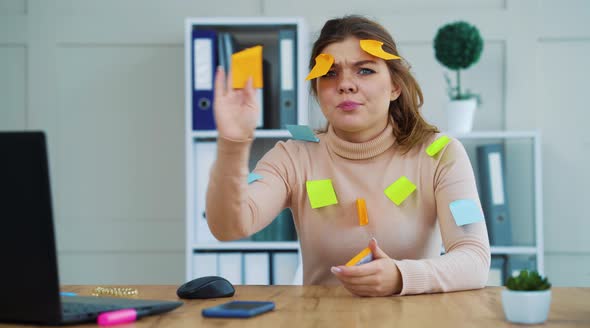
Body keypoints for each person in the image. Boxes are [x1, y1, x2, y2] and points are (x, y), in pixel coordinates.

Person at [206, 15, 490, 296]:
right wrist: (233, 142)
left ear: (395, 86)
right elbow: (229, 226)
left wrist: (402, 276)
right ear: (317, 91)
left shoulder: (440, 154)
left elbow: (475, 258)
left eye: (364, 70)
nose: (345, 84)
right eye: (329, 73)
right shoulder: (293, 156)